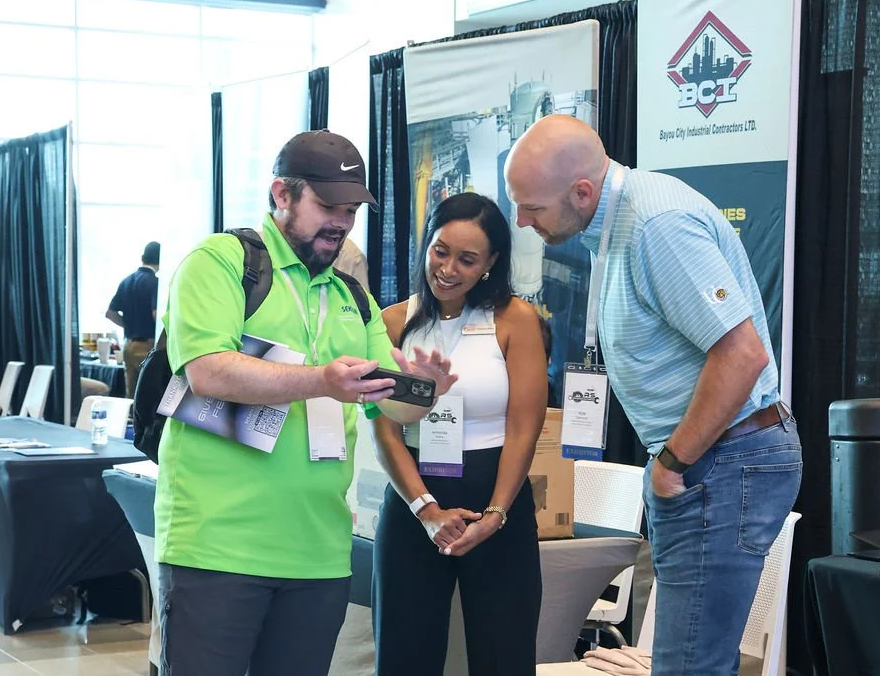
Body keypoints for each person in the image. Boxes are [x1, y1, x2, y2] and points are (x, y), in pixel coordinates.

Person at [505, 115, 802, 676]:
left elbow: (742, 355)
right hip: (713, 459)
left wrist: (671, 463)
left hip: (721, 460)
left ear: (582, 192)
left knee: (689, 665)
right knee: (687, 661)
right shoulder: (615, 223)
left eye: (533, 208)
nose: (522, 221)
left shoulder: (654, 225)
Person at [154, 129, 458, 676]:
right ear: (282, 195)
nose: (341, 221)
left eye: (350, 209)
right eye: (327, 205)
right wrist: (322, 380)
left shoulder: (351, 296)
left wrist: (425, 392)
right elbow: (206, 370)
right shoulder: (223, 262)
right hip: (217, 546)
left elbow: (391, 407)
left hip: (318, 553)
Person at [372, 192, 548, 675]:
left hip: (496, 496)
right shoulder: (392, 322)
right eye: (440, 251)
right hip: (413, 498)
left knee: (503, 653)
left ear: (491, 262)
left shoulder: (515, 321)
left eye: (467, 259)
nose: (447, 269)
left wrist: (495, 514)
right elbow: (383, 429)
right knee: (404, 654)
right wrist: (425, 508)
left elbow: (524, 426)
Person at [106, 241, 160, 397]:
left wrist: (129, 325)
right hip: (147, 346)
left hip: (128, 345)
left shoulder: (126, 281)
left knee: (132, 396)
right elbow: (155, 314)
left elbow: (110, 313)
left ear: (143, 257)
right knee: (150, 394)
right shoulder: (155, 283)